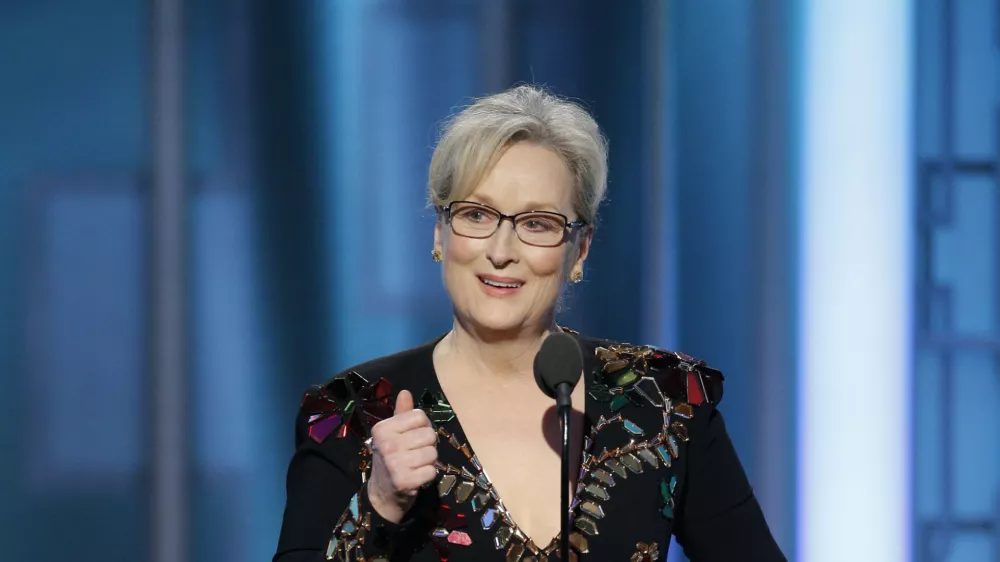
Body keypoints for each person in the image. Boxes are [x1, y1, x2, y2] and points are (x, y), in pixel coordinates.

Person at [273, 85, 785, 561]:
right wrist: (379, 502)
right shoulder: (354, 412)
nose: (501, 251)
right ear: (440, 233)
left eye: (537, 224)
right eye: (476, 215)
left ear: (578, 250)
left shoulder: (664, 401)